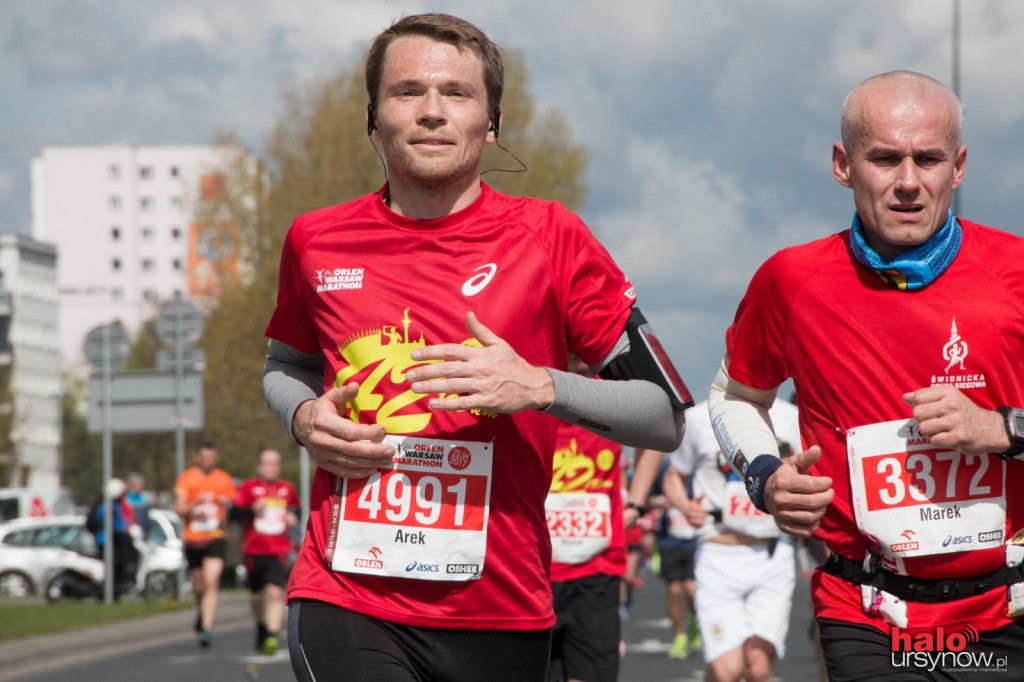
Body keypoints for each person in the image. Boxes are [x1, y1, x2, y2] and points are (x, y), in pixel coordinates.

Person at [260, 13, 690, 681]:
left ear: (491, 121)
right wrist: (303, 416)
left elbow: (662, 418)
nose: (432, 111)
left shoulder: (552, 237)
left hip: (502, 610)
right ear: (374, 118)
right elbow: (286, 365)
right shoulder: (317, 241)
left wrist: (540, 385)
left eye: (456, 93)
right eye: (407, 92)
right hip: (346, 593)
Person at [711, 70, 1024, 681]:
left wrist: (1002, 428)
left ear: (957, 167)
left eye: (928, 159)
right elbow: (732, 397)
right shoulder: (791, 281)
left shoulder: (1015, 272)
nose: (908, 182)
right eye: (884, 159)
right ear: (843, 164)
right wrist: (766, 477)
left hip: (1004, 613)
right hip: (867, 613)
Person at [657, 398, 799, 682]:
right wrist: (686, 507)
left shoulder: (791, 417)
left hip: (771, 555)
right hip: (718, 555)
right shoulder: (698, 419)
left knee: (758, 670)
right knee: (726, 672)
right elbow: (673, 475)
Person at [547, 418, 627, 682]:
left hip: (596, 573)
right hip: (534, 577)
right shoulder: (526, 396)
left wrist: (636, 504)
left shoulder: (608, 400)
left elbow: (662, 422)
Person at [231, 448, 300, 656]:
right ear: (260, 467)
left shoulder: (286, 489)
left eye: (276, 464)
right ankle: (261, 627)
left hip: (278, 550)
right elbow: (234, 513)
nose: (272, 468)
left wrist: (293, 518)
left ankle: (271, 634)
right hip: (254, 549)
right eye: (268, 464)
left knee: (275, 592)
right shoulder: (249, 487)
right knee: (256, 596)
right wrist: (252, 508)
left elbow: (297, 509)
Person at [174, 442, 236, 648]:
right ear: (197, 458)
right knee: (199, 585)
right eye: (204, 457)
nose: (208, 461)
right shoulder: (187, 479)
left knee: (211, 582)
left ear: (216, 458)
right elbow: (179, 509)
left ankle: (207, 628)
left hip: (215, 536)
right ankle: (202, 612)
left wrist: (226, 506)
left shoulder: (224, 479)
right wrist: (195, 504)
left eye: (212, 457)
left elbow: (233, 505)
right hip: (193, 538)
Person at [647, 459, 700, 660]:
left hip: (695, 539)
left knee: (692, 589)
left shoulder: (699, 466)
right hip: (669, 540)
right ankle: (679, 636)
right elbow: (647, 498)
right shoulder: (664, 468)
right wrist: (662, 502)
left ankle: (695, 622)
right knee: (674, 589)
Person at [86, 477, 141, 596]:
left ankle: (116, 588)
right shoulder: (107, 506)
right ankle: (109, 591)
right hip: (108, 542)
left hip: (116, 541)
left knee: (121, 562)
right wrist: (121, 533)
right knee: (113, 565)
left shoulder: (114, 504)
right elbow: (110, 525)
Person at [125, 472, 152, 539]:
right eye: (139, 483)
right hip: (131, 532)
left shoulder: (144, 497)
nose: (142, 485)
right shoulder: (127, 498)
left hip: (143, 532)